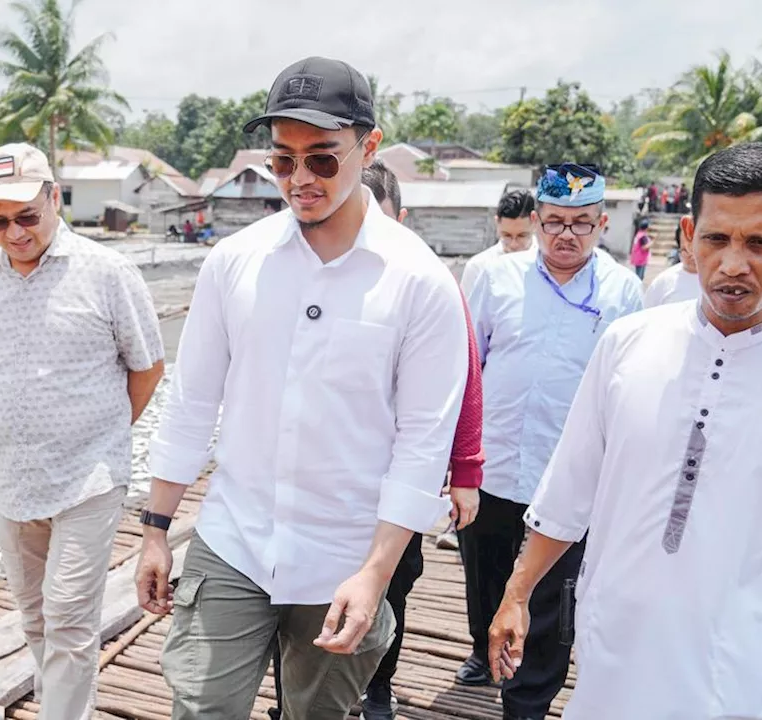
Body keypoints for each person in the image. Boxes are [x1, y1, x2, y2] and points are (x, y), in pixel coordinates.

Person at [488, 142, 762, 720]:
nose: (734, 263)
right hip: (616, 647)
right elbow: (569, 487)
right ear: (688, 234)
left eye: (761, 243)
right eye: (716, 239)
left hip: (745, 662)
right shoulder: (629, 344)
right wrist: (517, 593)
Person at [135, 57, 471, 720]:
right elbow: (193, 399)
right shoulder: (235, 262)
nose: (300, 180)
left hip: (344, 556)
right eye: (283, 161)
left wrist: (375, 574)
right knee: (200, 706)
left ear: (369, 147)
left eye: (322, 159)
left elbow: (422, 444)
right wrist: (154, 528)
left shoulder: (421, 284)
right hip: (236, 538)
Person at [0, 143, 166, 720]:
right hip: (14, 482)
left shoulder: (107, 272)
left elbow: (148, 366)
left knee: (70, 617)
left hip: (88, 479)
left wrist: (105, 434)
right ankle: (64, 707)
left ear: (55, 198)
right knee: (35, 618)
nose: (14, 232)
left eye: (27, 215)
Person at [457, 163, 644, 715]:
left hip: (568, 479)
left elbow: (627, 389)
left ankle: (528, 701)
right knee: (484, 573)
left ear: (602, 224)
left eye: (581, 223)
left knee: (550, 595)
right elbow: (469, 368)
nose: (567, 234)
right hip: (494, 464)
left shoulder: (623, 291)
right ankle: (480, 645)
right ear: (536, 220)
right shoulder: (495, 278)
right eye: (556, 221)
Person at [358, 158, 485, 720]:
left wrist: (466, 473)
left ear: (401, 219)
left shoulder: (430, 282)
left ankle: (377, 688)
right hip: (330, 475)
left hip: (403, 474)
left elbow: (467, 378)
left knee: (393, 585)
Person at [459, 190, 537, 308]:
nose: (514, 244)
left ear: (535, 222)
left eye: (522, 236)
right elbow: (466, 318)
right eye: (507, 235)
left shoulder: (549, 263)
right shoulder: (478, 267)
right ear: (497, 223)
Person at [643, 242, 701, 307]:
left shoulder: (713, 280)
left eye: (696, 250)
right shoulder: (664, 280)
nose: (692, 256)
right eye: (686, 250)